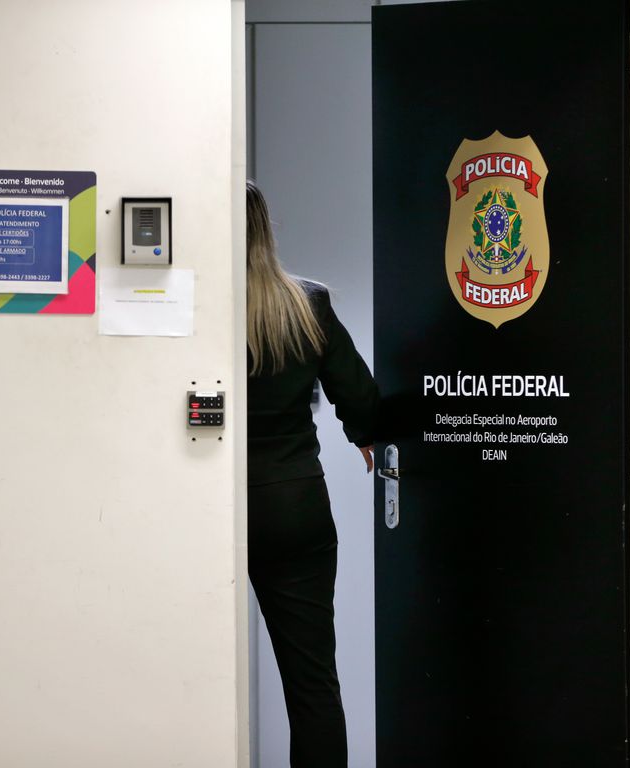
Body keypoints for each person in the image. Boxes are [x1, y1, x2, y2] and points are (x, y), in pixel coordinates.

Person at [246, 180, 379, 768]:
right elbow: (361, 398)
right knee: (312, 686)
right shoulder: (306, 302)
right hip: (291, 504)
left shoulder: (187, 307)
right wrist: (367, 436)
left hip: (199, 506)